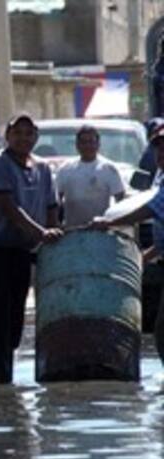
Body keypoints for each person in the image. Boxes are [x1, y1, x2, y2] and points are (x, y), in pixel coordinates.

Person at [0, 113, 63, 387]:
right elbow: (8, 207)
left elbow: (51, 210)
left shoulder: (43, 169)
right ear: (7, 136)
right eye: (17, 133)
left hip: (22, 253)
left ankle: (6, 386)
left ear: (36, 137)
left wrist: (55, 238)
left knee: (13, 326)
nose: (23, 138)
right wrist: (41, 233)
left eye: (28, 133)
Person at [93, 125, 164, 360]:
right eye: (159, 150)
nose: (161, 155)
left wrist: (110, 223)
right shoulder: (160, 178)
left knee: (162, 330)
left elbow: (151, 210)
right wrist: (142, 257)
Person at [55, 125, 125, 227]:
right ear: (77, 145)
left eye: (91, 142)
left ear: (98, 144)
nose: (88, 146)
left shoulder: (109, 169)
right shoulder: (65, 169)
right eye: (83, 142)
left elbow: (120, 201)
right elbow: (56, 201)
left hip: (101, 232)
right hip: (72, 231)